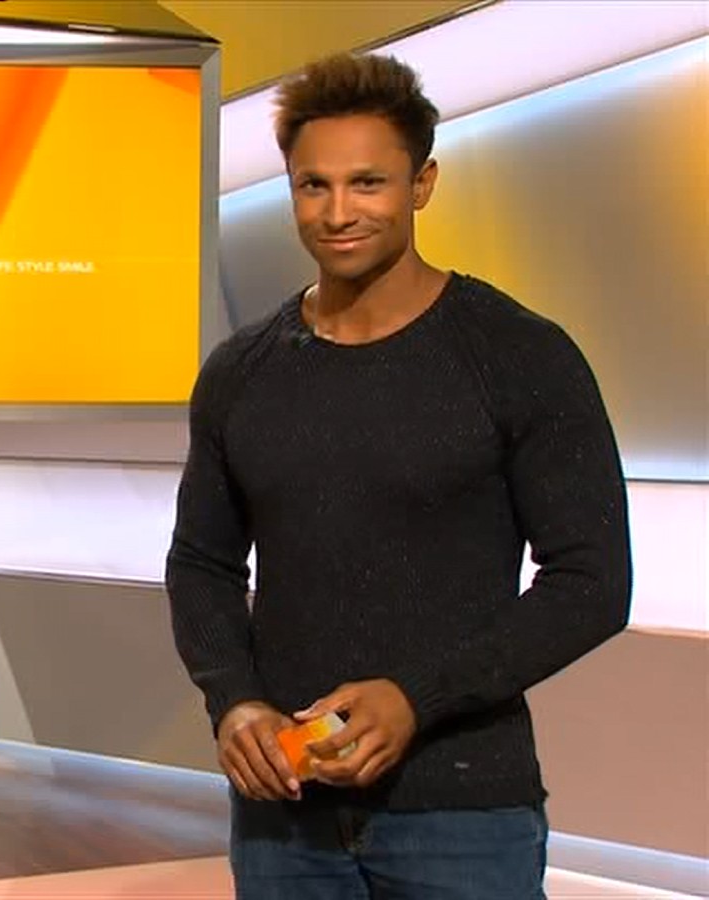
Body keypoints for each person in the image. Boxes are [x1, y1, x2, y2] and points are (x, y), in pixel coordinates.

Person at [164, 53, 631, 898]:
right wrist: (234, 701)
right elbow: (201, 563)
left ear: (422, 184)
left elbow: (592, 582)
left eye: (367, 183)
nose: (338, 212)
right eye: (314, 186)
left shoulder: (520, 356)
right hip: (283, 818)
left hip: (464, 816)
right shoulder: (240, 372)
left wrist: (416, 697)